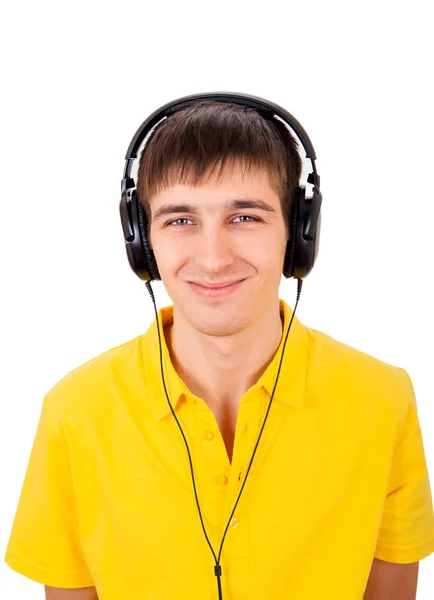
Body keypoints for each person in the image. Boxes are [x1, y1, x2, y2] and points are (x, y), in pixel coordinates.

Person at [4, 94, 434, 600]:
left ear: (298, 235)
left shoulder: (382, 398)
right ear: (142, 244)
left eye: (245, 217)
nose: (212, 259)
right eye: (180, 220)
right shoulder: (74, 411)